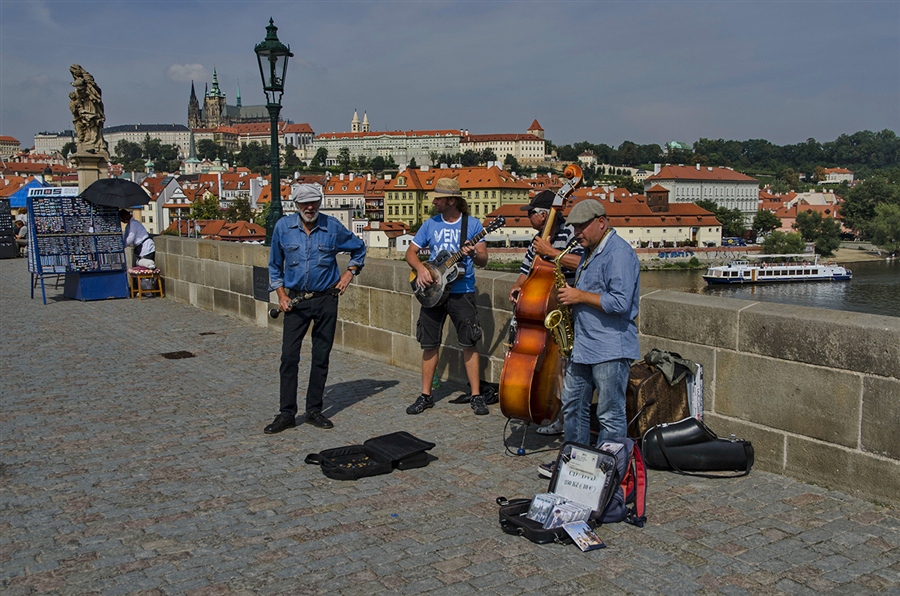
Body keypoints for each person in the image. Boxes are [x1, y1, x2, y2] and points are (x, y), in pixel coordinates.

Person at [539, 200, 640, 477]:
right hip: (583, 345)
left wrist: (578, 295)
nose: (576, 233)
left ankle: (610, 472)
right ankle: (574, 465)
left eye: (582, 226)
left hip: (610, 346)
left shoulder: (619, 254)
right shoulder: (589, 251)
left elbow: (620, 302)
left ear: (601, 222)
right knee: (572, 407)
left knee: (609, 414)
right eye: (573, 227)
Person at [264, 183, 366, 434]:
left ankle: (314, 409)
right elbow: (275, 266)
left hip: (325, 299)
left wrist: (348, 275)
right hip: (296, 301)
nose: (310, 208)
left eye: (314, 203)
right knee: (289, 357)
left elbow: (359, 248)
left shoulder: (332, 227)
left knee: (321, 356)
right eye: (305, 204)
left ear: (319, 203)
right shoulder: (283, 228)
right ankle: (287, 413)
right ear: (296, 205)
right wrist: (281, 294)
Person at [405, 177, 489, 416]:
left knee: (469, 343)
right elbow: (411, 252)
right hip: (433, 291)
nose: (434, 201)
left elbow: (484, 259)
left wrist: (472, 254)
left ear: (452, 200)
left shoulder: (472, 225)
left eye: (439, 198)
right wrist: (421, 268)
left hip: (462, 292)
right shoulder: (430, 224)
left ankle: (476, 395)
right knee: (429, 343)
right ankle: (425, 395)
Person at [508, 190, 584, 435]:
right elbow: (526, 270)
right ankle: (541, 406)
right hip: (540, 310)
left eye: (530, 213)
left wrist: (552, 253)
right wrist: (518, 286)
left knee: (563, 367)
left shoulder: (571, 233)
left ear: (544, 215)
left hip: (565, 308)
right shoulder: (537, 238)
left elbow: (583, 263)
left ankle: (564, 419)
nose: (528, 217)